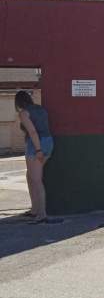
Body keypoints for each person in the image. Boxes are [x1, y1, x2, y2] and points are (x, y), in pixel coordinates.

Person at [15, 91, 54, 223]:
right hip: (49, 141)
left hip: (36, 145)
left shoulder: (24, 113)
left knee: (36, 180)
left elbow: (32, 131)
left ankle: (41, 213)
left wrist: (38, 150)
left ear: (18, 102)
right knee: (30, 176)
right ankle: (35, 210)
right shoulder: (41, 109)